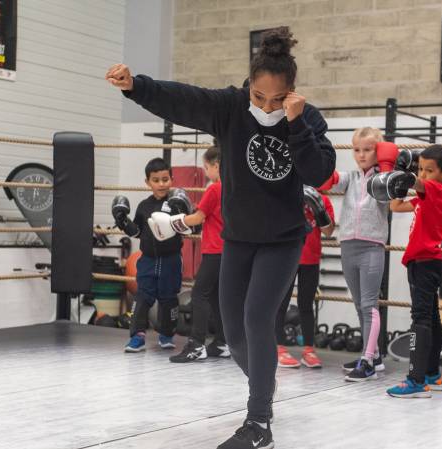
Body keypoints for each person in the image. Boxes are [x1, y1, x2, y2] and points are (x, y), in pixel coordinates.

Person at [107, 28, 335, 449]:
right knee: (232, 333)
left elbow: (320, 173)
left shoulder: (306, 117)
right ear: (248, 86)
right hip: (239, 238)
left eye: (277, 100)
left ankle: (259, 422)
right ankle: (263, 388)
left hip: (283, 240)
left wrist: (297, 123)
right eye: (259, 97)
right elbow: (182, 99)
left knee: (256, 320)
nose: (267, 107)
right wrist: (136, 86)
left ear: (292, 93)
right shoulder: (230, 107)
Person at [368, 144, 442, 397]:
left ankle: (416, 381)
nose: (425, 174)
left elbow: (415, 182)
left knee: (421, 319)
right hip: (424, 262)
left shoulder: (437, 190)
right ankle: (433, 375)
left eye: (430, 170)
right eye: (422, 169)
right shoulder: (426, 195)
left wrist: (401, 170)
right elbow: (395, 206)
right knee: (432, 318)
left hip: (425, 262)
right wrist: (402, 169)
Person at [319, 127, 398, 381]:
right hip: (348, 246)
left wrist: (388, 167)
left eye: (368, 150)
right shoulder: (351, 177)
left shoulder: (385, 179)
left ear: (379, 150)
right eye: (356, 150)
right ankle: (372, 354)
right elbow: (328, 180)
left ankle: (369, 363)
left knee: (368, 304)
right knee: (358, 305)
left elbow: (392, 196)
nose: (361, 155)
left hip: (371, 247)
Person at [112, 158, 191, 353]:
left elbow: (191, 226)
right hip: (147, 259)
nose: (161, 184)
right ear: (148, 182)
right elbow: (137, 232)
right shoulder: (143, 206)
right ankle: (137, 336)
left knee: (168, 297)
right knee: (142, 296)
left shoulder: (176, 203)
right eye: (156, 180)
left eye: (165, 179)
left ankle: (166, 334)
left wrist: (183, 212)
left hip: (171, 259)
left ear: (171, 179)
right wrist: (122, 221)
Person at [170, 146, 231, 362]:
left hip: (215, 251)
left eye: (207, 167)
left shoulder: (214, 189)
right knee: (216, 298)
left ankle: (196, 345)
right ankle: (223, 343)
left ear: (216, 166)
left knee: (198, 294)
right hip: (229, 252)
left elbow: (197, 219)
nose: (205, 172)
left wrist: (173, 223)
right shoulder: (234, 188)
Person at [275, 185, 335, 369]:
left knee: (306, 304)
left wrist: (319, 210)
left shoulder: (322, 199)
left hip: (311, 258)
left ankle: (309, 350)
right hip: (287, 255)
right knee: (281, 303)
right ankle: (277, 348)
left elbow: (328, 231)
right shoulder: (286, 192)